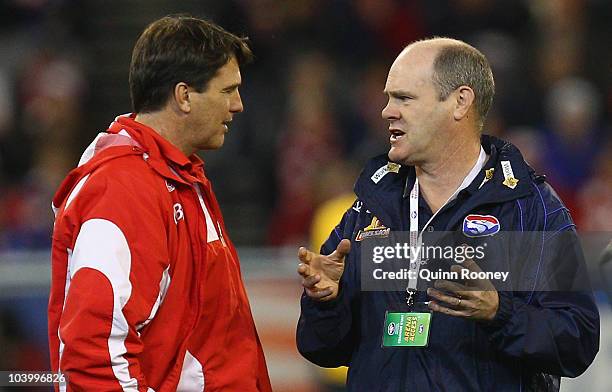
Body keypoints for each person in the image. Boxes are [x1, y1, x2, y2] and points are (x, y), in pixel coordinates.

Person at [296, 38, 599, 391]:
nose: (387, 111)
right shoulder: (371, 208)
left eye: (404, 98)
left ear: (460, 102)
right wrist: (326, 304)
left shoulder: (529, 208)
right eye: (388, 98)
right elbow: (323, 349)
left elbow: (578, 340)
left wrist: (499, 313)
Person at [48, 15, 272, 391]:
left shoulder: (178, 178)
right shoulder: (124, 190)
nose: (238, 105)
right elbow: (93, 355)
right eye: (227, 90)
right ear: (184, 96)